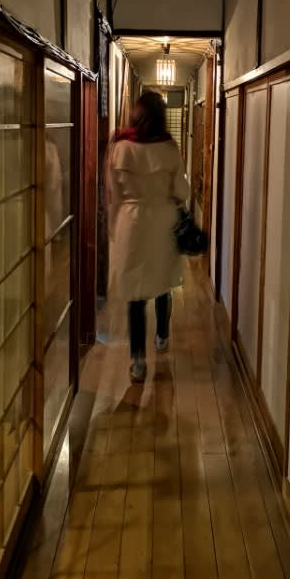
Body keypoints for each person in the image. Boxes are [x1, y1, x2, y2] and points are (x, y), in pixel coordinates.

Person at [106, 91, 189, 382]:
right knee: (163, 282)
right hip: (162, 221)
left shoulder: (120, 147)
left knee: (136, 293)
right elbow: (181, 191)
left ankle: (138, 362)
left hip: (131, 223)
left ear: (136, 114)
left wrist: (113, 228)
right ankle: (162, 336)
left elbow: (114, 194)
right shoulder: (170, 148)